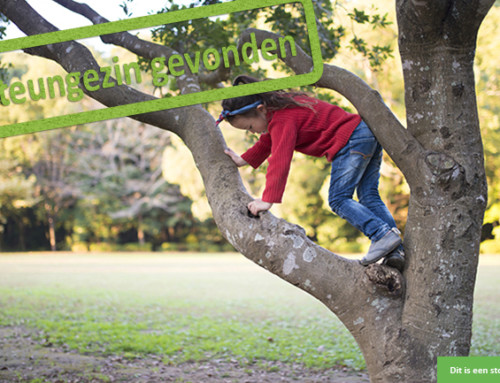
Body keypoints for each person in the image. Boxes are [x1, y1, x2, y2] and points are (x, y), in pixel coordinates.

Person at [217, 75, 405, 270]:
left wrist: (267, 199)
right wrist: (244, 159)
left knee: (338, 199)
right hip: (365, 133)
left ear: (261, 110)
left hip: (349, 141)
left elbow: (280, 159)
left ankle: (381, 235)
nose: (253, 132)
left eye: (250, 127)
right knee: (369, 195)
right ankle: (396, 250)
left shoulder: (282, 119)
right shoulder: (282, 110)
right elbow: (268, 141)